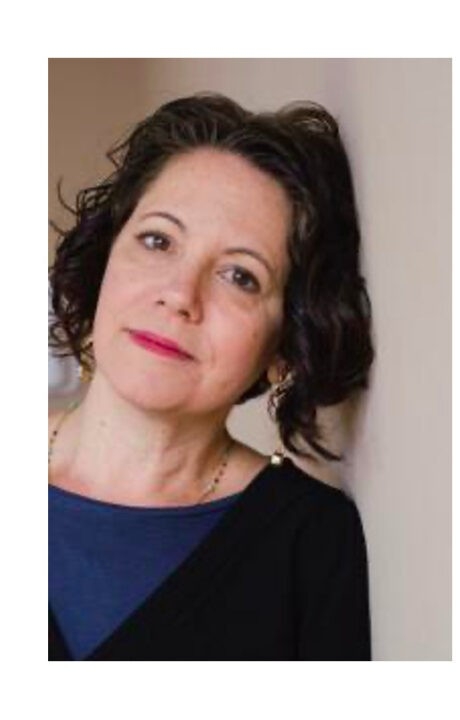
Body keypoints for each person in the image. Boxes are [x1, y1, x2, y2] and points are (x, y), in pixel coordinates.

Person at [47, 94, 374, 660]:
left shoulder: (313, 546)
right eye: (158, 240)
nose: (180, 295)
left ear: (283, 345)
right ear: (103, 262)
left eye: (241, 276)